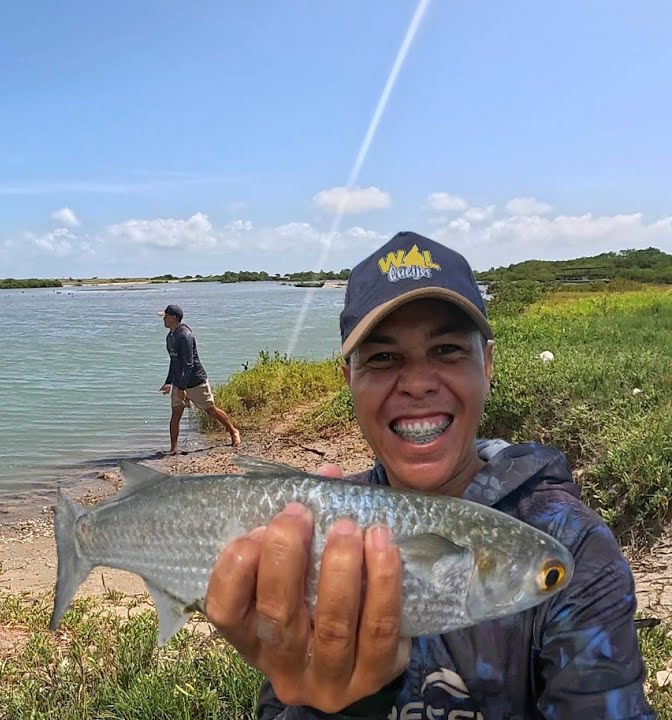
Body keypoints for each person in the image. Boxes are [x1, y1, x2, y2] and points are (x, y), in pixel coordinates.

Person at [203, 231, 655, 719]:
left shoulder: (575, 545)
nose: (417, 383)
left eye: (447, 350)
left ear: (487, 364)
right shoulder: (316, 528)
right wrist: (330, 703)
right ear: (349, 381)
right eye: (382, 357)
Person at [158, 303, 241, 454]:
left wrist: (182, 388)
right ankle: (173, 449)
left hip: (196, 381)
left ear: (174, 318)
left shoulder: (185, 336)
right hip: (179, 382)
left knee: (211, 410)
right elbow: (174, 360)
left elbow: (188, 364)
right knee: (175, 414)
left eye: (166, 316)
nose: (163, 319)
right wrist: (168, 382)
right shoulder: (170, 337)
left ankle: (233, 431)